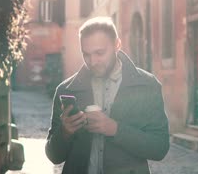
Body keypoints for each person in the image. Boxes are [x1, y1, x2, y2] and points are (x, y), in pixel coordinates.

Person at [45, 17, 170, 174]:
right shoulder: (66, 90)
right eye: (86, 54)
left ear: (117, 45)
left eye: (99, 53)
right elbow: (54, 156)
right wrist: (65, 132)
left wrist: (115, 129)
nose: (93, 61)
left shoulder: (147, 86)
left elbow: (160, 148)